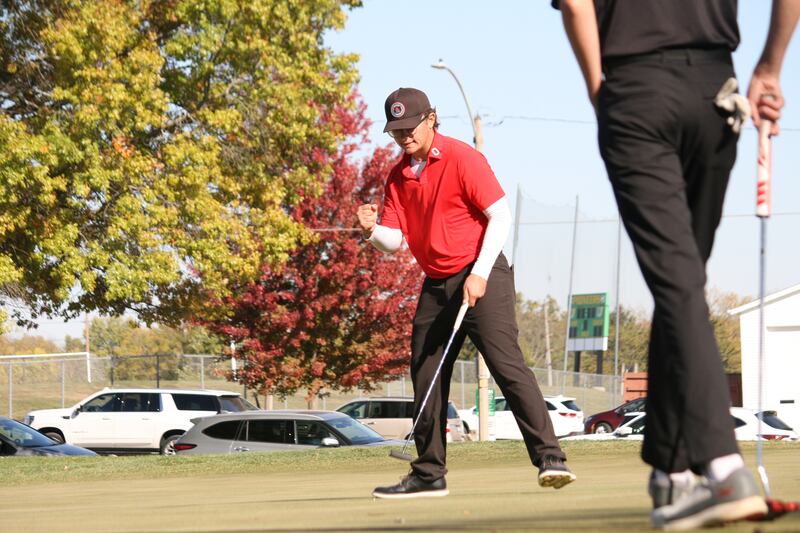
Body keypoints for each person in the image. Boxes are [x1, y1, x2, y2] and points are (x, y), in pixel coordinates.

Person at [553, 0, 798, 530]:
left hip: (635, 88)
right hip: (717, 93)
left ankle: (725, 468)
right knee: (681, 282)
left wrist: (601, 91)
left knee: (678, 281)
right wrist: (770, 66)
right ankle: (670, 470)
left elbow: (576, 5)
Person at [357, 87, 576, 499]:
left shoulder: (462, 157)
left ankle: (551, 459)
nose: (403, 136)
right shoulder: (397, 176)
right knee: (425, 372)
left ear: (431, 119)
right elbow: (394, 241)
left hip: (483, 271)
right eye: (395, 130)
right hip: (437, 283)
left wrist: (478, 274)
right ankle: (428, 473)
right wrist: (371, 230)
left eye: (410, 127)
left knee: (506, 368)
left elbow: (500, 215)